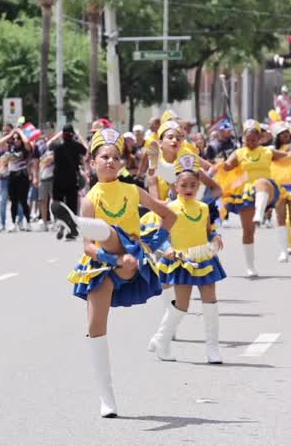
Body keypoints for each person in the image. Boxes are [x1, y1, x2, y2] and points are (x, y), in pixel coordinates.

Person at [53, 127, 176, 418]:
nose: (110, 161)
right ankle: (107, 398)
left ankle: (74, 224)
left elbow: (169, 215)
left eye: (115, 157)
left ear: (121, 163)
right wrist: (113, 259)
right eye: (104, 157)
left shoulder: (133, 190)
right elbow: (87, 249)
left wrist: (152, 245)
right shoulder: (89, 199)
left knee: (114, 233)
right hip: (103, 261)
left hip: (133, 256)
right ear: (92, 163)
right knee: (95, 329)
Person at [148, 155, 226, 364]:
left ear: (199, 185)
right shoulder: (169, 208)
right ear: (175, 185)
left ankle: (212, 349)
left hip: (203, 257)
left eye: (193, 184)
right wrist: (167, 250)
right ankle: (162, 339)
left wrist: (215, 237)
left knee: (210, 300)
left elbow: (208, 230)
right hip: (181, 261)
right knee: (182, 306)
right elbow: (160, 237)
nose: (189, 188)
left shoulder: (202, 207)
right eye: (184, 185)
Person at [222, 120, 287, 277]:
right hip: (245, 193)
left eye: (254, 140)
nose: (250, 143)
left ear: (260, 139)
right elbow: (226, 166)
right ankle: (250, 267)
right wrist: (224, 162)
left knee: (262, 182)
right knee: (248, 230)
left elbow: (288, 157)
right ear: (243, 139)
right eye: (247, 140)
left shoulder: (267, 152)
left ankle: (260, 213)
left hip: (267, 188)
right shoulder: (238, 153)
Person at [271, 122, 291, 262]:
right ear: (277, 136)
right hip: (279, 186)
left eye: (287, 132)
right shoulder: (271, 150)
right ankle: (284, 251)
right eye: (282, 133)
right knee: (280, 218)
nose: (285, 135)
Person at [0, 127, 33, 231]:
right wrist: (11, 134)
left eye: (18, 138)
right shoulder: (10, 148)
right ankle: (13, 223)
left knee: (23, 201)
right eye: (14, 139)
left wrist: (20, 132)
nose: (16, 140)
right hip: (12, 176)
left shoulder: (25, 149)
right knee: (13, 201)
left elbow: (26, 141)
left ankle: (28, 222)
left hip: (23, 176)